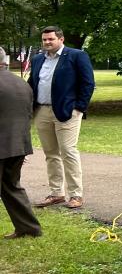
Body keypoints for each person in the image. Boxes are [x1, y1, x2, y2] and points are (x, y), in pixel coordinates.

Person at [29, 26, 95, 211]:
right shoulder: (37, 59)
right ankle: (56, 193)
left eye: (51, 39)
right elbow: (32, 84)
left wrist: (79, 108)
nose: (47, 42)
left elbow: (88, 83)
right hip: (42, 111)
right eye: (44, 40)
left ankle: (76, 195)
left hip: (67, 112)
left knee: (68, 151)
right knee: (51, 154)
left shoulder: (76, 56)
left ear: (61, 39)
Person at [0, 48, 42, 238]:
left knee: (10, 186)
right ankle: (28, 228)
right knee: (11, 186)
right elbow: (27, 115)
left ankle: (28, 228)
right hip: (18, 145)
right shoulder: (22, 84)